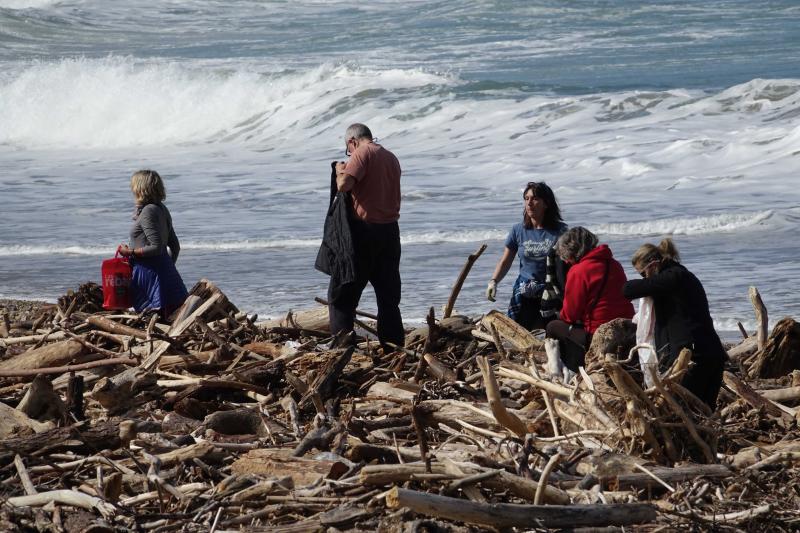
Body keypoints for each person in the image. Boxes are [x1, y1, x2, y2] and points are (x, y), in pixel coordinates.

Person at [623, 238, 727, 409]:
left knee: (685, 410)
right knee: (705, 411)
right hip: (710, 352)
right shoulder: (680, 275)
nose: (643, 278)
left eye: (642, 273)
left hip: (695, 357)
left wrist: (645, 281)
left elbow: (628, 290)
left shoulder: (673, 277)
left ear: (653, 264)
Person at [327, 123, 404, 348]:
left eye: (347, 151)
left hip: (364, 233)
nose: (349, 155)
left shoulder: (362, 152)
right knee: (388, 298)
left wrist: (340, 168)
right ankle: (394, 349)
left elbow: (344, 185)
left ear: (352, 141)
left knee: (342, 294)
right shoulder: (391, 157)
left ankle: (342, 350)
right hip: (390, 233)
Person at [545, 227, 634, 372]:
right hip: (626, 328)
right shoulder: (614, 264)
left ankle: (569, 370)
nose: (567, 262)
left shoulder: (579, 270)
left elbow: (570, 315)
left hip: (600, 333)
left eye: (567, 258)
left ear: (572, 251)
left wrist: (559, 313)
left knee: (553, 326)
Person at [486, 182, 567, 330]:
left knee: (552, 335)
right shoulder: (518, 230)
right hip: (524, 291)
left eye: (535, 198)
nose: (529, 203)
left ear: (546, 203)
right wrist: (493, 281)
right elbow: (505, 261)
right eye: (526, 198)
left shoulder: (560, 231)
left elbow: (569, 264)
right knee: (520, 333)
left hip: (550, 291)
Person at [118, 170, 188, 319]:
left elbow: (156, 247)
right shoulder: (161, 208)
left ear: (140, 188)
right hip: (165, 273)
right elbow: (175, 246)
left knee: (153, 321)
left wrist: (129, 252)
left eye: (133, 186)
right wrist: (168, 269)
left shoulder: (148, 211)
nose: (132, 190)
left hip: (150, 275)